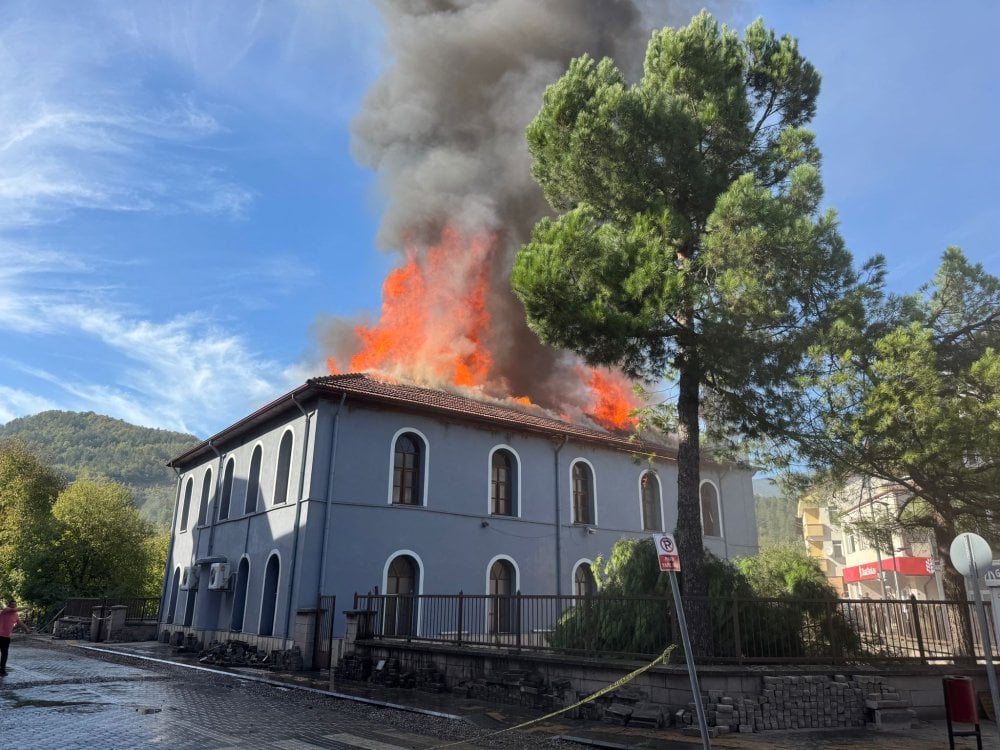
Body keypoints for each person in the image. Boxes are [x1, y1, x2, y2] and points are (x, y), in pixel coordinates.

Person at [0, 598, 27, 676]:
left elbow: (20, 623)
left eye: (15, 605)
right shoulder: (5, 610)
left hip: (6, 637)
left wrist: (26, 629)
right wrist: (26, 607)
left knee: (4, 654)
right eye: (12, 605)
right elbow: (14, 610)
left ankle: (2, 670)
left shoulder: (15, 615)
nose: (14, 607)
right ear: (9, 605)